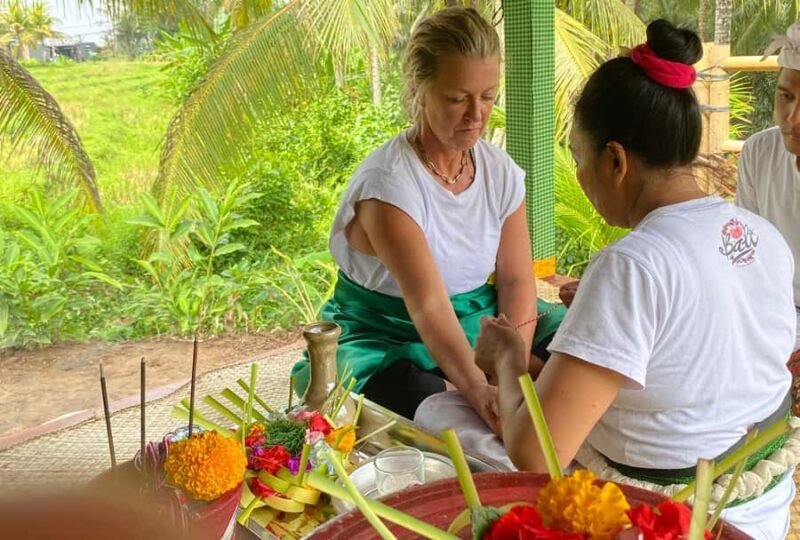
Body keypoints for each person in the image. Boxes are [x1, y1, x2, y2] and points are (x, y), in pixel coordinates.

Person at [416, 20, 798, 539]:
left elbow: (537, 451)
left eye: (578, 157)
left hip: (666, 519)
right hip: (760, 511)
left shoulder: (632, 265)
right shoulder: (763, 237)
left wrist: (507, 362)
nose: (579, 175)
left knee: (441, 417)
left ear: (615, 160)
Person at [290, 6, 565, 425]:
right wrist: (480, 389)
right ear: (420, 89)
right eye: (457, 98)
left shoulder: (500, 173)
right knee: (415, 399)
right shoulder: (390, 186)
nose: (476, 114)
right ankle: (456, 386)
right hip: (390, 334)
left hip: (479, 322)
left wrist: (512, 363)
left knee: (574, 342)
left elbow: (516, 279)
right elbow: (430, 305)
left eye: (488, 96)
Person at [736, 22, 800, 390]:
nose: (792, 118)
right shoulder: (760, 151)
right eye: (785, 96)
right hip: (776, 313)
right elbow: (747, 257)